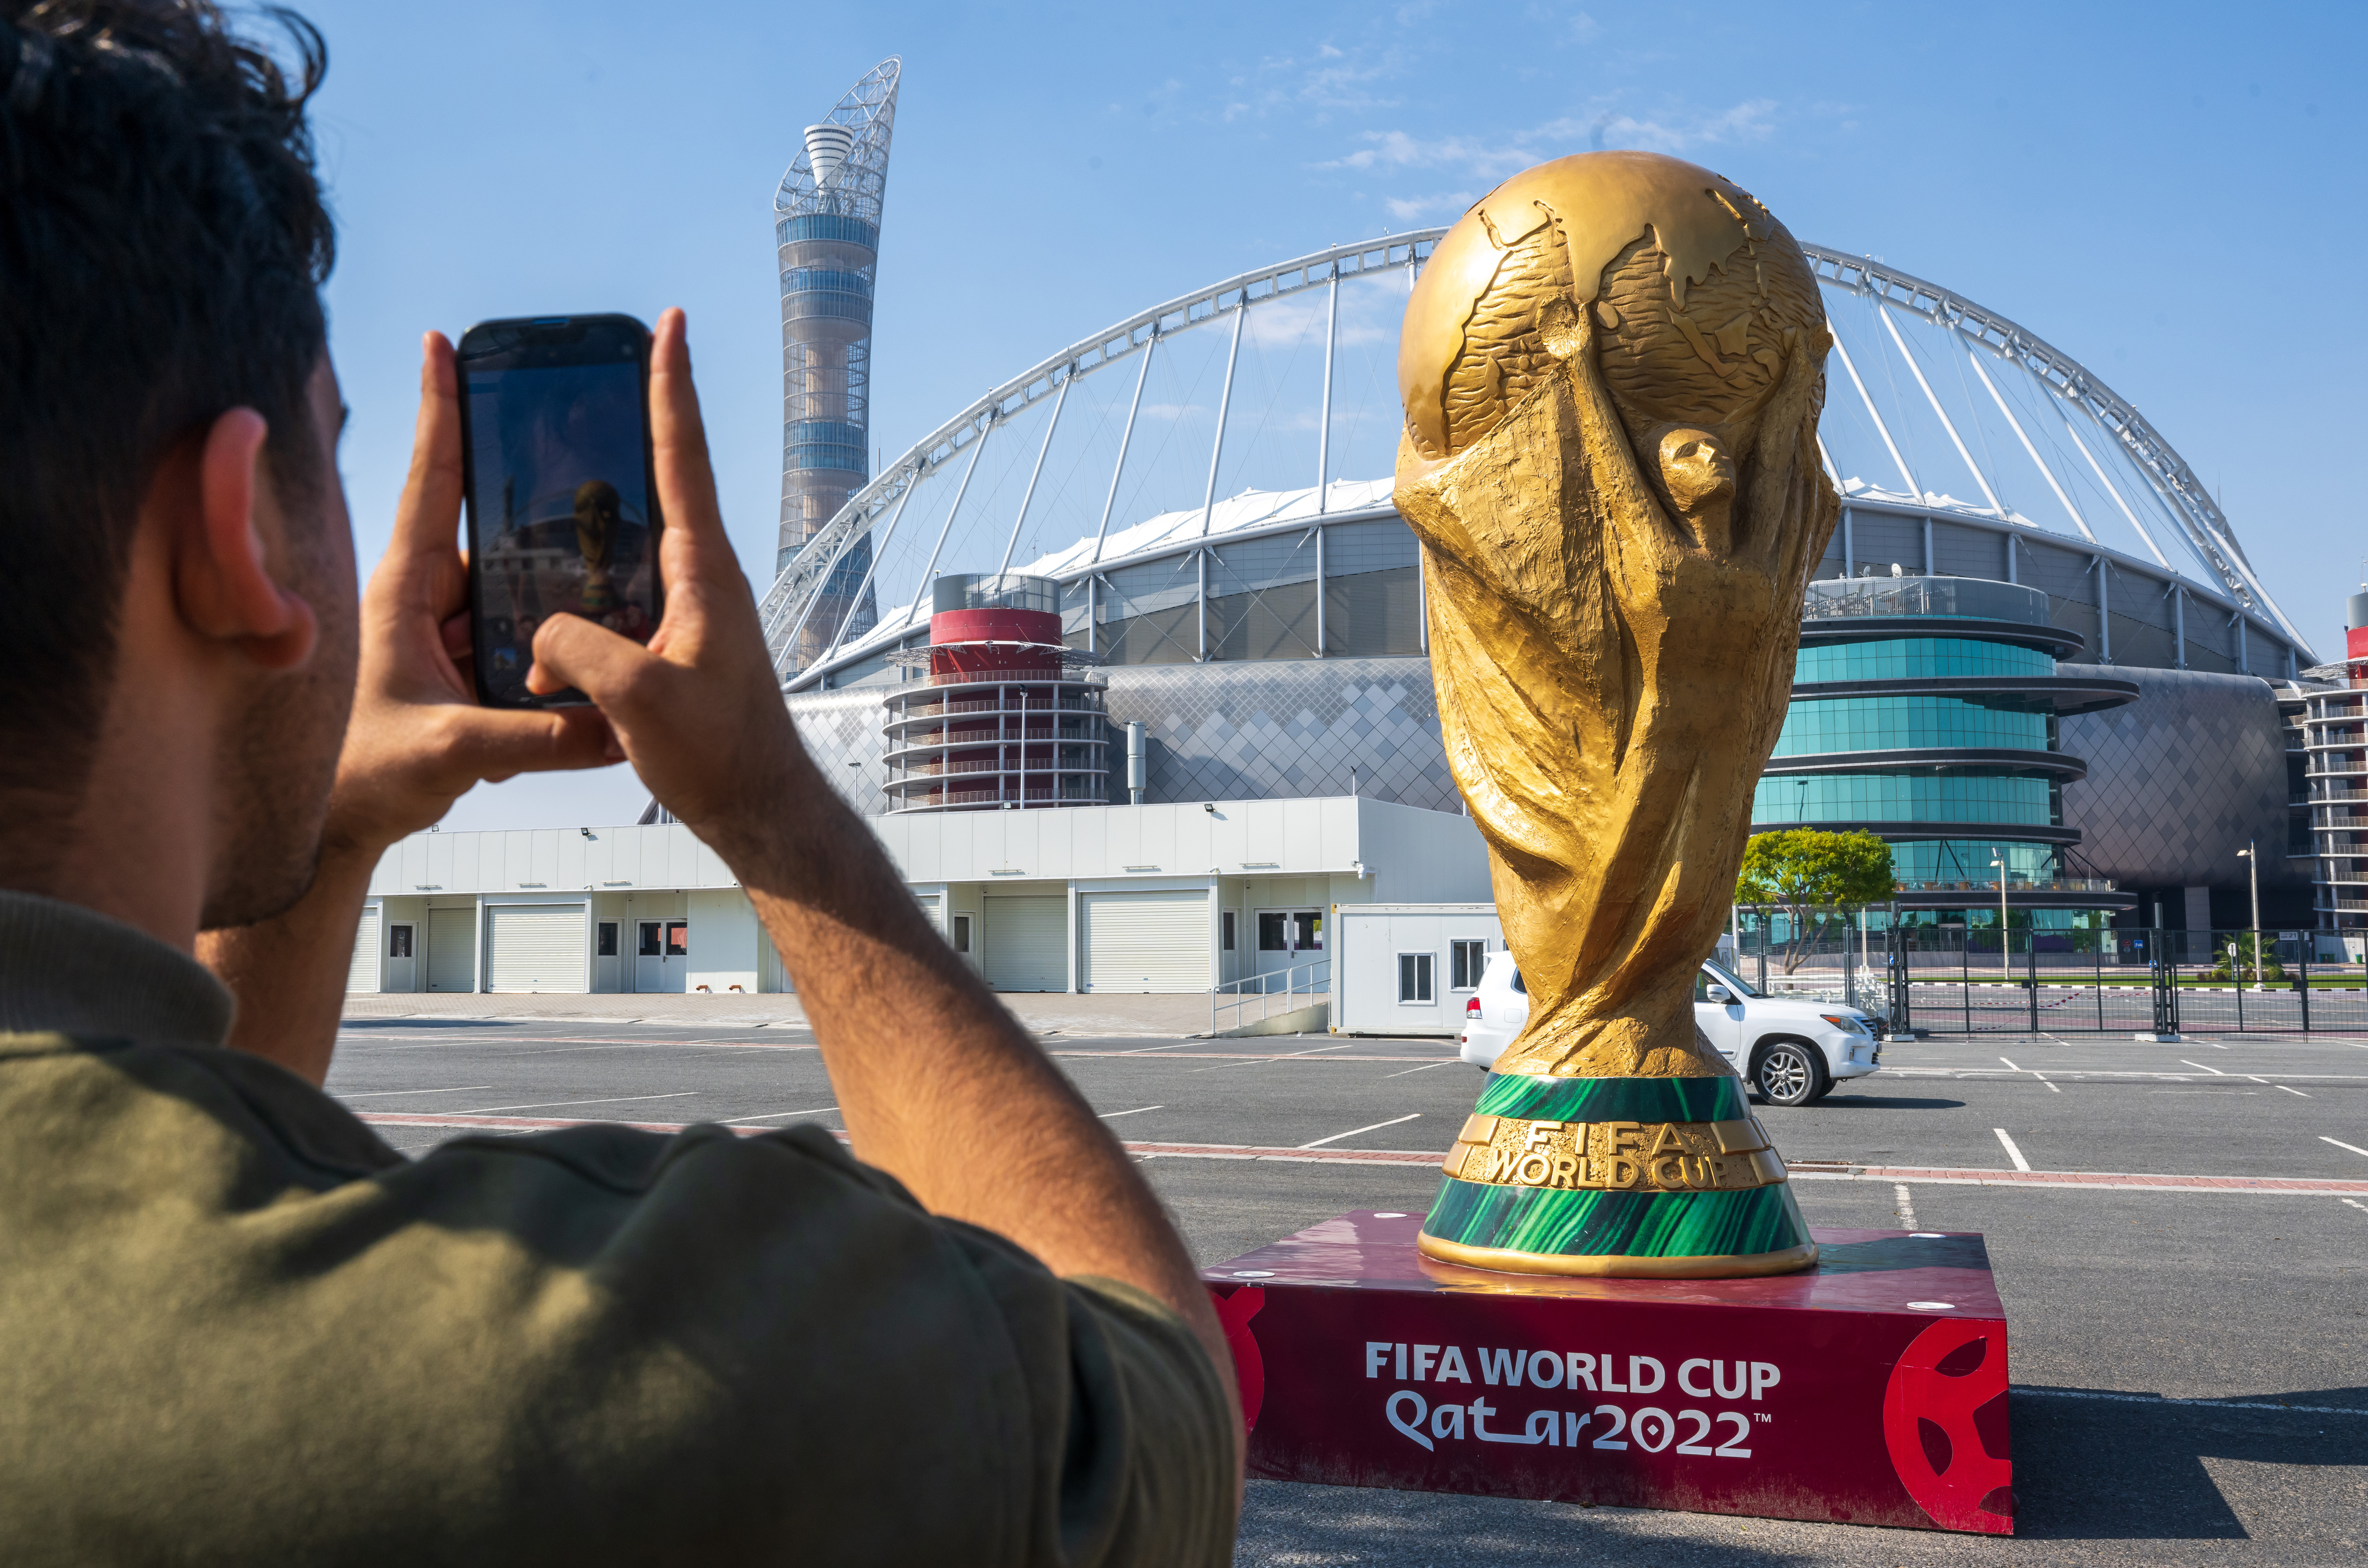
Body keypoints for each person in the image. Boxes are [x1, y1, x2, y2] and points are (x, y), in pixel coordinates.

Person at [0, 3, 1240, 1562]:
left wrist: (334, 819)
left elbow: (164, 1178)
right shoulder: (584, 1360)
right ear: (238, 533)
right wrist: (774, 807)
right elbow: (1155, 1434)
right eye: (333, 453)